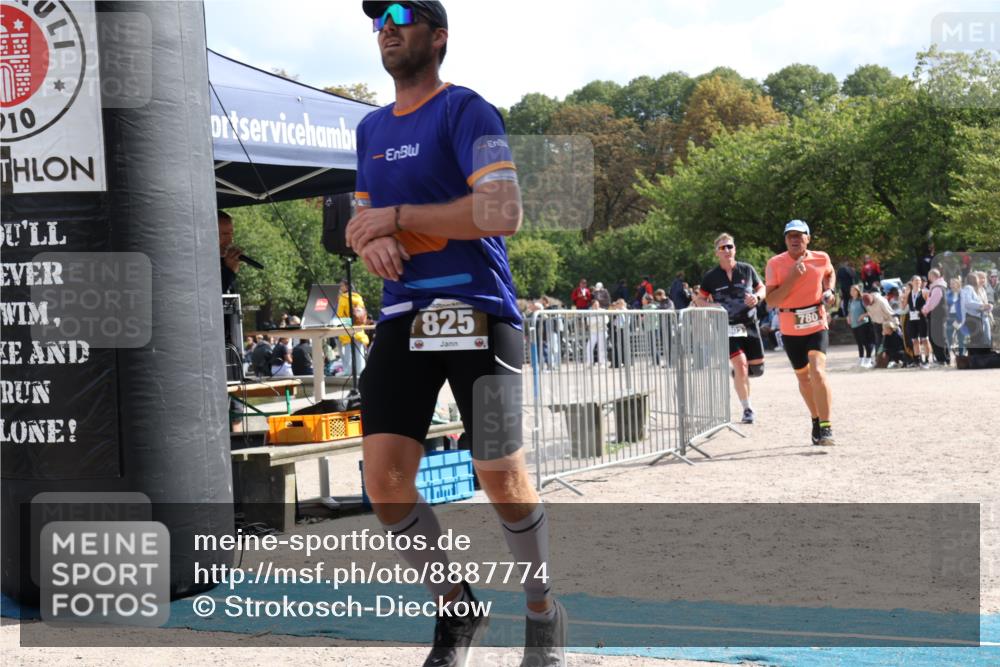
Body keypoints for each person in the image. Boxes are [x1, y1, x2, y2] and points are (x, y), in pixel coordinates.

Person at [347, 4, 564, 665]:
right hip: (403, 315)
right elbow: (363, 224)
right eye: (376, 17)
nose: (386, 24)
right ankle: (456, 608)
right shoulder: (369, 129)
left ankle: (542, 609)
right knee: (385, 482)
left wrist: (397, 216)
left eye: (402, 13)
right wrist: (372, 244)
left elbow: (503, 210)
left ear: (438, 37)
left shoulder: (468, 111)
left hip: (481, 309)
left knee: (499, 470)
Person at [764, 220, 837, 446]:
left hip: (816, 321)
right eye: (790, 236)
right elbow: (771, 301)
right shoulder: (775, 264)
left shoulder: (821, 257)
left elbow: (830, 271)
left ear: (808, 238)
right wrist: (793, 277)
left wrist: (830, 290)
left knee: (817, 370)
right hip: (790, 326)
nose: (794, 240)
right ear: (785, 240)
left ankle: (826, 426)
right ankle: (815, 419)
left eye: (799, 235)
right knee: (804, 378)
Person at [694, 233, 766, 424]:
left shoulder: (747, 270)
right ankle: (747, 408)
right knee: (741, 366)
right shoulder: (711, 277)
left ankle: (739, 376)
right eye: (723, 248)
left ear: (735, 249)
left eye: (730, 247)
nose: (727, 250)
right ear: (716, 253)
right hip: (726, 328)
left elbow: (762, 288)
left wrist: (757, 298)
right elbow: (699, 299)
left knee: (756, 369)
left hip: (749, 325)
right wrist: (711, 306)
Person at [337, 279, 370, 379]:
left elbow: (340, 314)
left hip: (348, 329)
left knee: (348, 353)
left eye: (341, 286)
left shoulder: (343, 298)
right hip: (359, 328)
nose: (340, 288)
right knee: (359, 353)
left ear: (346, 287)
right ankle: (361, 372)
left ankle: (348, 372)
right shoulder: (358, 297)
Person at [921, 268, 950, 366]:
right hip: (941, 315)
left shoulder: (937, 287)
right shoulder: (941, 286)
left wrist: (924, 309)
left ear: (931, 276)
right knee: (941, 337)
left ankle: (941, 359)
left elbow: (933, 302)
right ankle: (945, 359)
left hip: (937, 315)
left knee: (936, 337)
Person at [901, 275, 932, 368]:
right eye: (916, 281)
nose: (918, 282)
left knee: (925, 339)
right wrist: (901, 298)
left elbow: (929, 305)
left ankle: (926, 360)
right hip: (912, 319)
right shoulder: (909, 294)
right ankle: (917, 360)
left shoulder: (924, 292)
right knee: (915, 340)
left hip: (922, 318)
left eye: (919, 281)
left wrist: (925, 311)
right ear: (912, 282)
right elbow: (903, 307)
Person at [847, 285, 875, 367]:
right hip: (854, 325)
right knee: (859, 343)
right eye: (851, 290)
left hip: (864, 324)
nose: (852, 292)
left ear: (858, 291)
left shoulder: (862, 300)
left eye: (854, 290)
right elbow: (849, 311)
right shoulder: (850, 301)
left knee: (866, 342)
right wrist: (848, 317)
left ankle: (868, 359)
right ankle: (861, 359)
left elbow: (870, 311)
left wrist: (863, 316)